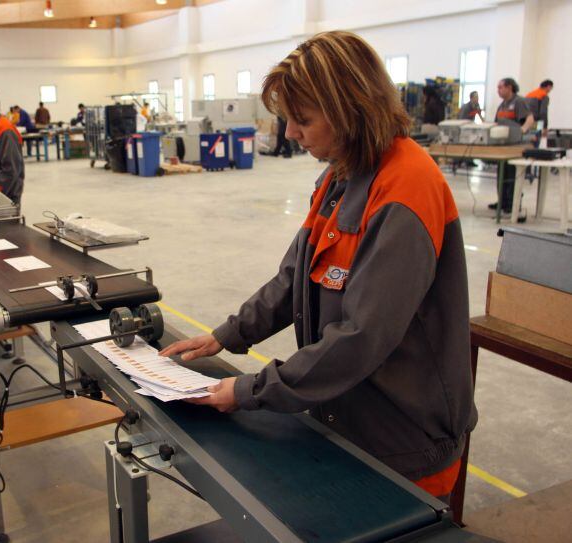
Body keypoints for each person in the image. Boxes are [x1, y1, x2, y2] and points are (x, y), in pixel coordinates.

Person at [160, 31, 477, 503]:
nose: (290, 133)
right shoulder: (340, 176)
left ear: (351, 110)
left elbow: (362, 336)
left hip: (404, 439)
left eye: (303, 119)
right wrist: (227, 335)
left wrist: (247, 391)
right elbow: (294, 278)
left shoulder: (406, 189)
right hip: (347, 415)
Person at [488, 77, 534, 216]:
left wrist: (522, 131)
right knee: (502, 174)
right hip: (503, 146)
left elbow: (530, 119)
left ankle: (512, 203)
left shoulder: (519, 102)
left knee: (512, 175)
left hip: (515, 147)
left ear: (509, 87)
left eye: (500, 87)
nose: (498, 90)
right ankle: (502, 201)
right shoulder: (502, 105)